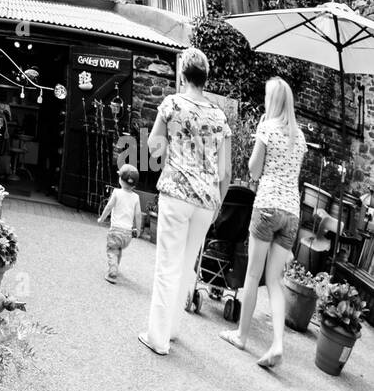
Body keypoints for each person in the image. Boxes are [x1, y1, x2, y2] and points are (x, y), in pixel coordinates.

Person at [140, 48, 230, 355]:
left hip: (176, 193)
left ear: (182, 75)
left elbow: (152, 146)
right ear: (206, 79)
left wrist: (167, 151)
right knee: (187, 265)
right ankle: (172, 329)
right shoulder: (219, 116)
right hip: (206, 201)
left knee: (167, 264)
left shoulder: (172, 104)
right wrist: (218, 203)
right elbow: (226, 170)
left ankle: (158, 338)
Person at [220, 77, 308, 368]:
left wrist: (260, 131)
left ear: (273, 101)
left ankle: (242, 336)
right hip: (291, 214)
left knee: (253, 274)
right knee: (274, 280)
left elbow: (254, 170)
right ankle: (278, 345)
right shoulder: (300, 137)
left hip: (268, 205)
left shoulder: (267, 128)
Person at [98, 164, 143, 283]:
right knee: (119, 249)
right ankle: (116, 266)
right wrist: (138, 230)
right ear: (134, 184)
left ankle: (112, 271)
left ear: (121, 180)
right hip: (127, 234)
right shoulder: (136, 197)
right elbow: (138, 214)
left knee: (112, 250)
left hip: (115, 231)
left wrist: (101, 219)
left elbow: (109, 207)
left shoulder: (117, 192)